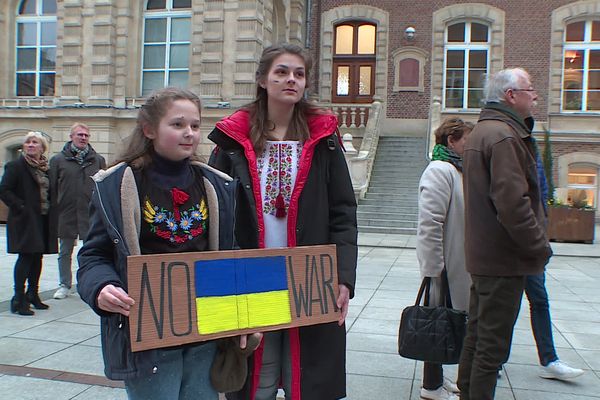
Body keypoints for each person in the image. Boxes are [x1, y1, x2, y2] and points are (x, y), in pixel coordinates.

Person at [77, 87, 252, 399]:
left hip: (205, 335)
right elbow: (94, 255)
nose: (189, 133)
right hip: (149, 337)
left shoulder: (215, 184)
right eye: (178, 125)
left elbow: (229, 257)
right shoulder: (116, 185)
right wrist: (101, 287)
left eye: (195, 126)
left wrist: (247, 313)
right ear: (149, 130)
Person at [209, 43, 358, 400]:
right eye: (281, 72)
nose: (291, 80)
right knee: (257, 373)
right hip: (252, 273)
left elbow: (343, 211)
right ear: (262, 79)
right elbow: (217, 213)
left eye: (299, 74)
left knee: (305, 379)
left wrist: (344, 278)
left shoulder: (325, 138)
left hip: (310, 274)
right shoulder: (233, 138)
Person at [457, 67, 553, 400]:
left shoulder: (486, 131)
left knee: (477, 338)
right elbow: (513, 205)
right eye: (530, 89)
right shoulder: (504, 135)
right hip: (503, 259)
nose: (535, 95)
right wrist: (539, 247)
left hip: (486, 257)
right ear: (511, 95)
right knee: (492, 350)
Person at [416, 118, 473, 400]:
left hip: (457, 266)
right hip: (445, 268)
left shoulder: (456, 170)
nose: (471, 146)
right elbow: (430, 222)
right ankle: (431, 387)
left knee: (444, 321)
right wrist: (434, 268)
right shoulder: (440, 170)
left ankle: (436, 380)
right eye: (467, 140)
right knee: (437, 322)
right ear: (451, 141)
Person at [0, 131, 58, 315]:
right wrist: (21, 206)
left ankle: (33, 293)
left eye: (35, 142)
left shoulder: (45, 168)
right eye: (28, 143)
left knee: (37, 257)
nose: (30, 145)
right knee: (25, 257)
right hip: (25, 219)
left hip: (43, 218)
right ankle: (19, 298)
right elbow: (4, 190)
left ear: (42, 148)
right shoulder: (15, 166)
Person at [50, 122, 106, 300]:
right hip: (66, 213)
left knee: (92, 252)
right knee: (65, 251)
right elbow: (52, 188)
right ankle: (64, 284)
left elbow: (103, 187)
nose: (83, 138)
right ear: (71, 137)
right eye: (79, 135)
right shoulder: (58, 160)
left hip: (90, 214)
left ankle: (88, 284)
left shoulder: (97, 160)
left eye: (86, 135)